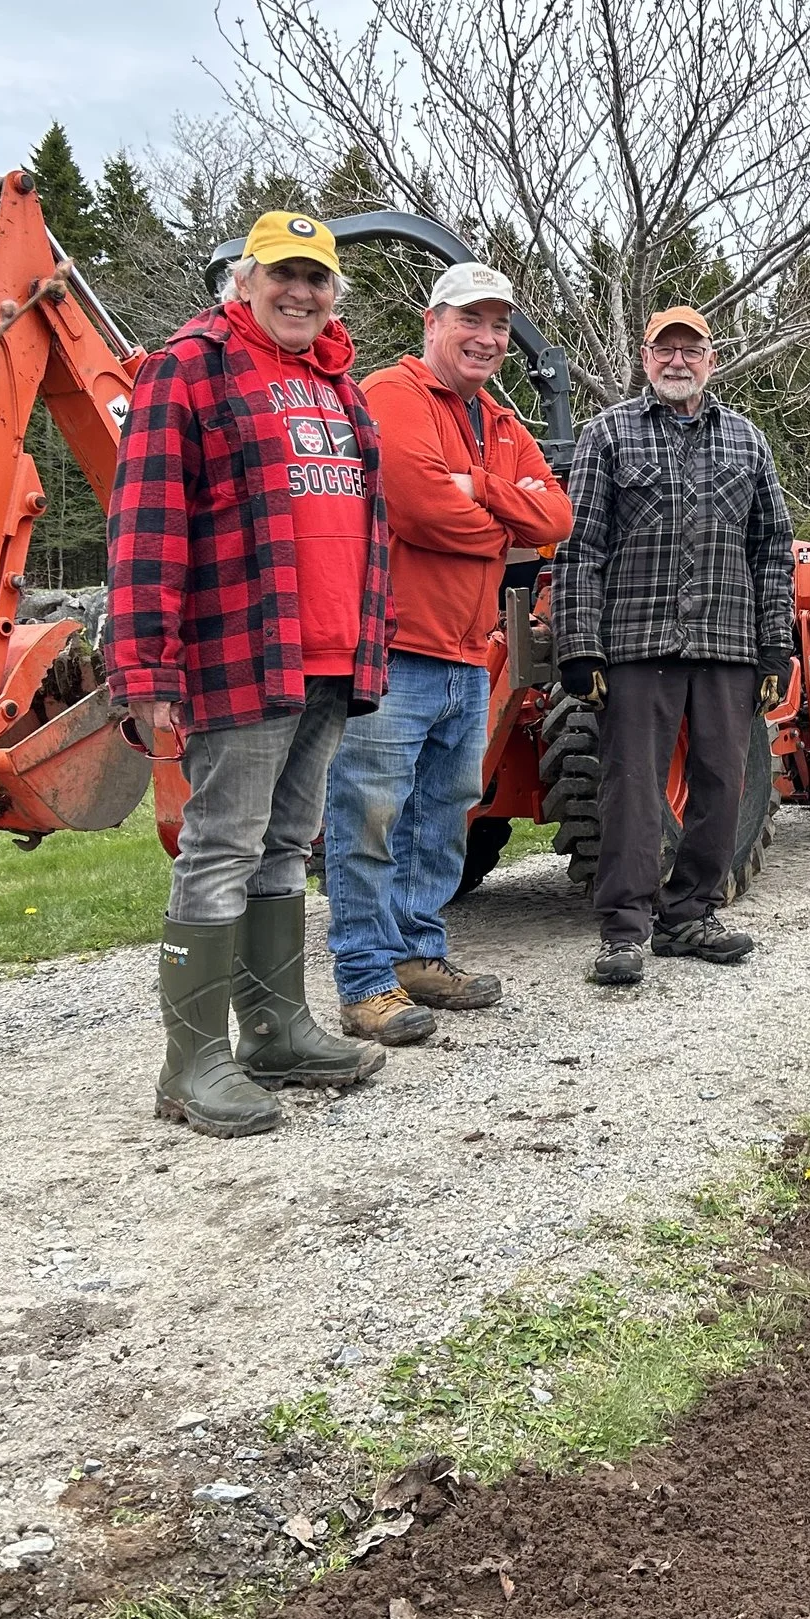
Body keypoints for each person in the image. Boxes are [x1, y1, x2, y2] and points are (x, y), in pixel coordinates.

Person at [108, 211, 391, 1139]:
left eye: (316, 278)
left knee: (285, 842)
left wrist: (366, 642)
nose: (300, 292)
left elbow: (363, 527)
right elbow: (145, 522)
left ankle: (273, 1029)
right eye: (283, 274)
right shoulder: (189, 366)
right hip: (242, 651)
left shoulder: (337, 384)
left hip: (330, 654)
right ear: (244, 279)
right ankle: (190, 1064)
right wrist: (142, 665)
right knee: (222, 842)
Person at [321, 263, 571, 1039]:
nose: (488, 338)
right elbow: (425, 510)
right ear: (433, 323)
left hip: (469, 655)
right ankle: (364, 980)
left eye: (499, 325)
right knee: (369, 817)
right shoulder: (392, 397)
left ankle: (418, 955)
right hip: (396, 651)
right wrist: (503, 515)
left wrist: (480, 487)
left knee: (440, 819)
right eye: (472, 320)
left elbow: (556, 515)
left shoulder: (497, 420)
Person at [553, 305, 795, 986]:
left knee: (722, 782)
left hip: (727, 642)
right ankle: (623, 930)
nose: (679, 361)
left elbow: (772, 550)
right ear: (645, 356)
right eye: (666, 350)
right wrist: (580, 645)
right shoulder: (608, 435)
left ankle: (690, 914)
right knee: (631, 791)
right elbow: (581, 547)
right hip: (637, 642)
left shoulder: (748, 441)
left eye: (692, 350)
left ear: (711, 360)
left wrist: (775, 646)